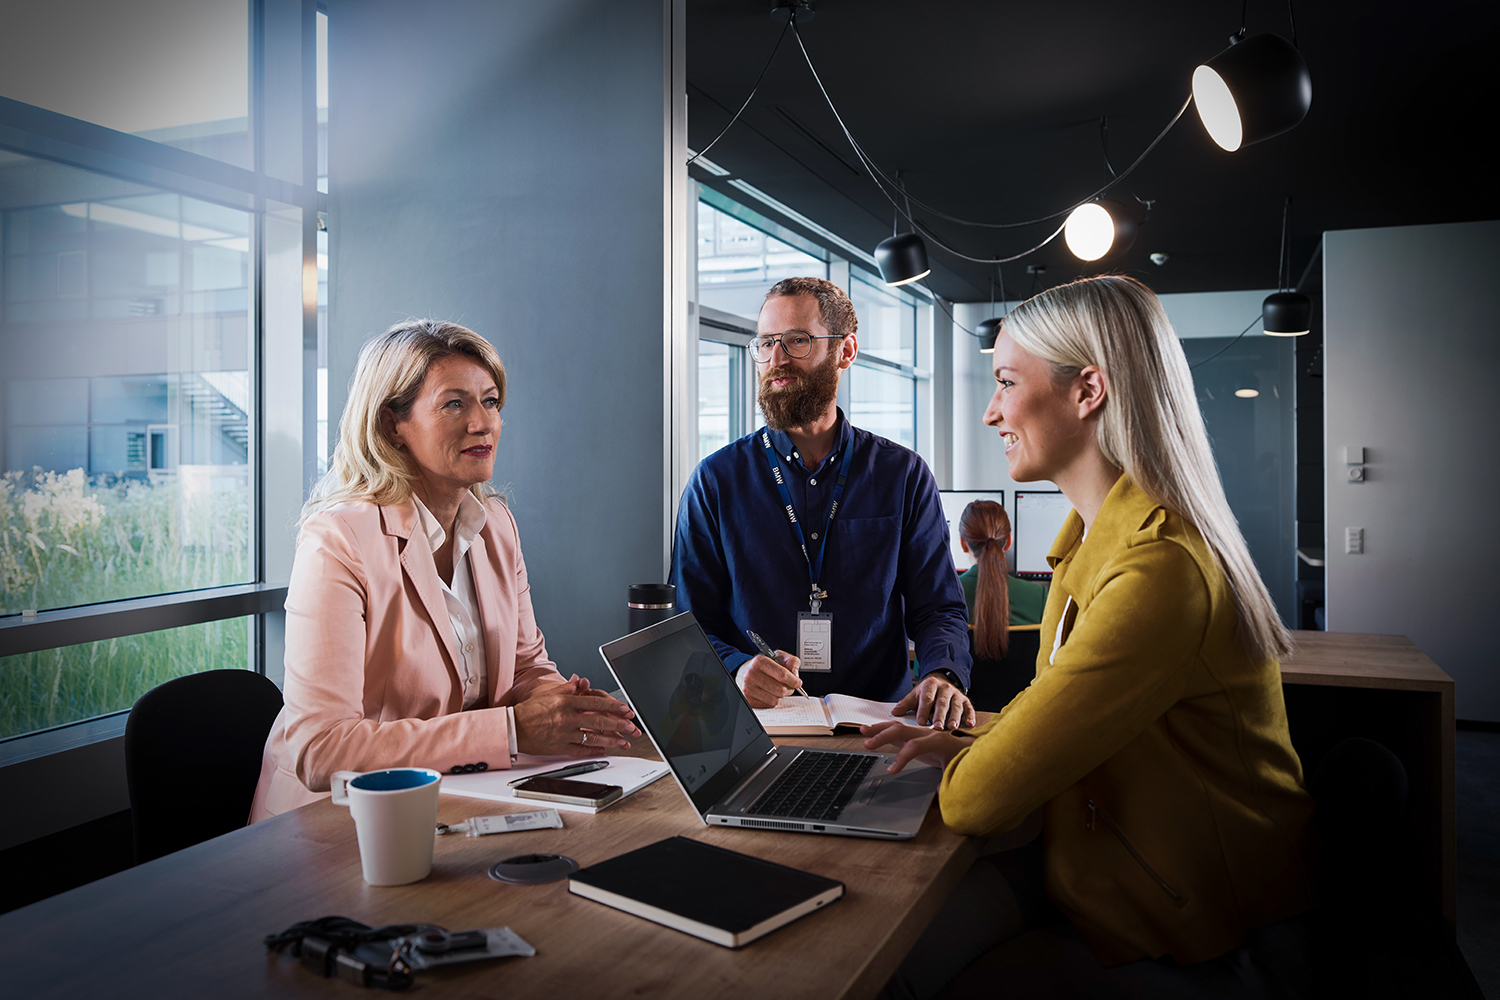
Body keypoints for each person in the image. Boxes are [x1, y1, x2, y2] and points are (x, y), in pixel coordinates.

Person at [864, 276, 1317, 997]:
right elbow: (1052, 710)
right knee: (887, 952)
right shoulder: (1086, 546)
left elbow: (974, 803)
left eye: (1007, 382)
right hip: (1106, 867)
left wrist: (974, 759)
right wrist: (978, 742)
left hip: (1212, 932)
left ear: (1088, 391)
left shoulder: (1159, 570)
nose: (990, 412)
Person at [249, 320, 639, 821]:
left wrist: (565, 709)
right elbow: (322, 749)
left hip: (458, 802)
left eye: (491, 401)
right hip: (333, 825)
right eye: (455, 403)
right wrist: (515, 730)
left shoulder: (495, 524)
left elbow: (525, 666)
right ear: (393, 424)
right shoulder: (338, 539)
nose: (483, 423)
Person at [672, 277, 975, 729]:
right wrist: (736, 668)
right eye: (767, 342)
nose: (776, 359)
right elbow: (688, 622)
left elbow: (938, 607)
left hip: (881, 728)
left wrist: (942, 674)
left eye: (796, 341)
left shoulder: (903, 475)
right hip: (758, 731)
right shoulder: (715, 482)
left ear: (845, 351)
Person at [955, 500, 1046, 660]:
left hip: (961, 686)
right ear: (1008, 542)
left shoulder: (945, 595)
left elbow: (926, 670)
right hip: (1027, 686)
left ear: (963, 544)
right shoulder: (1039, 595)